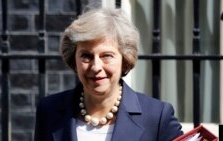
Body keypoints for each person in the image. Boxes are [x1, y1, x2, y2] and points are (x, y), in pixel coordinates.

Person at [34, 7, 183, 141]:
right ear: (74, 60)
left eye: (107, 55)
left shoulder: (157, 117)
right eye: (86, 55)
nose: (96, 66)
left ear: (124, 59)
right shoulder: (49, 110)